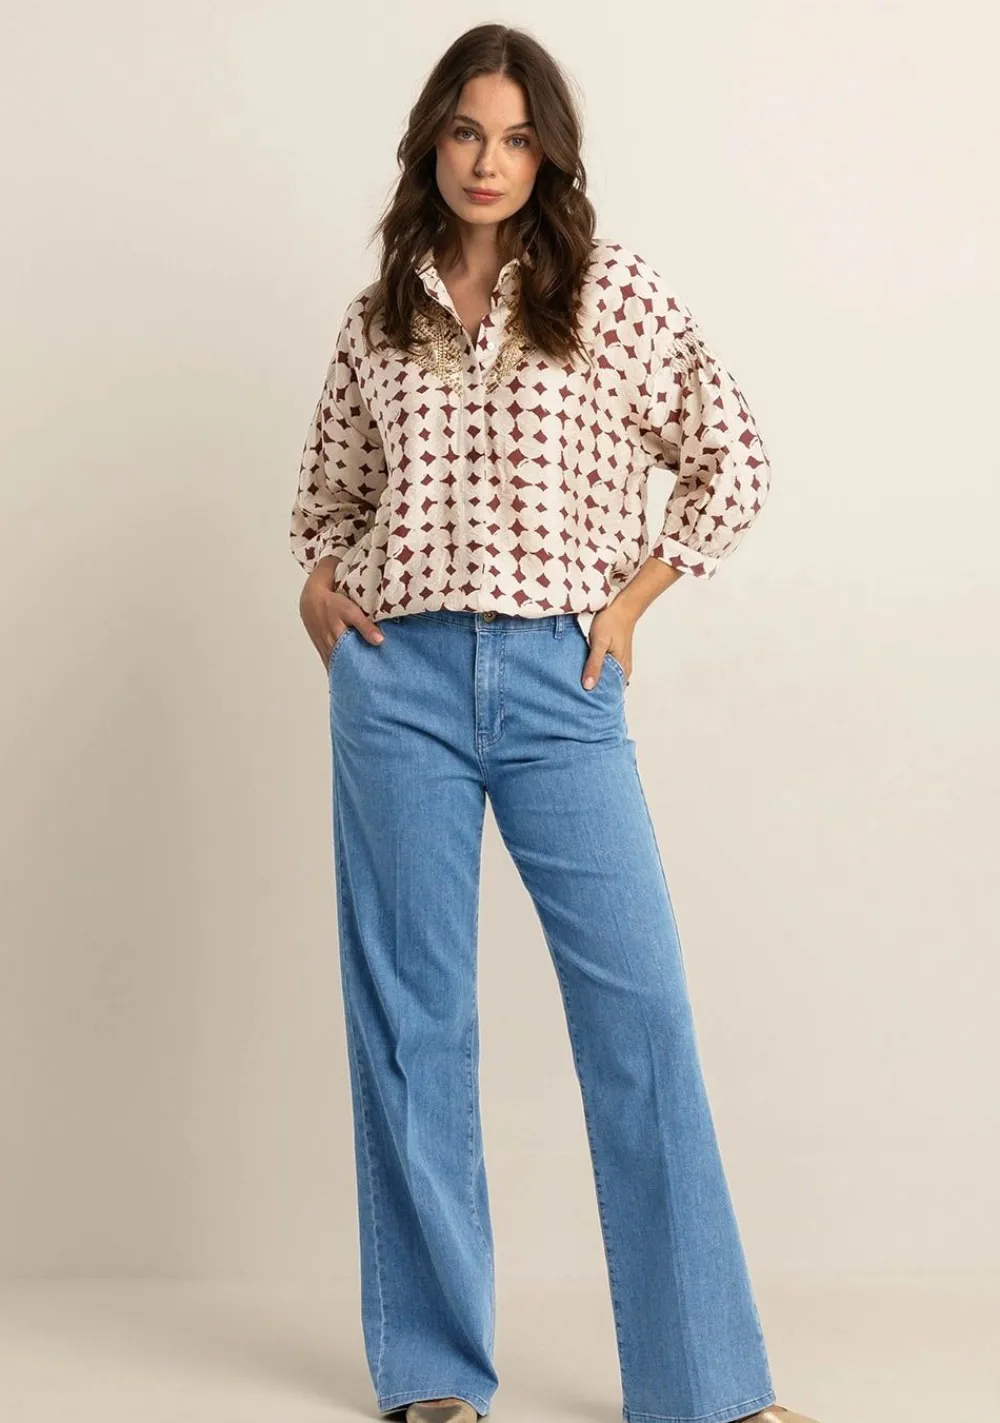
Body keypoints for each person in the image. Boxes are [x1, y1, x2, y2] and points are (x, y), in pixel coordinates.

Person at [290, 23, 819, 1423]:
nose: (489, 160)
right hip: (397, 682)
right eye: (468, 132)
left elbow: (732, 457)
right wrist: (320, 587)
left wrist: (633, 601)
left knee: (639, 1009)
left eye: (518, 138)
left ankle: (705, 1385)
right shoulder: (378, 317)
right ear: (433, 141)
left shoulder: (608, 293)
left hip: (557, 684)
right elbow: (329, 498)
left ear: (549, 156)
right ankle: (433, 1375)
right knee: (413, 1023)